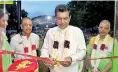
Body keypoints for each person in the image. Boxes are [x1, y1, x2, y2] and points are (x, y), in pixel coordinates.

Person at [40, 4, 86, 72]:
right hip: (54, 70)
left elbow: (82, 51)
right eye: (59, 18)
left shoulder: (77, 32)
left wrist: (71, 58)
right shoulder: (50, 32)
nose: (62, 22)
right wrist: (46, 58)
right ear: (55, 18)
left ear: (70, 17)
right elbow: (45, 49)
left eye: (65, 18)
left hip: (72, 69)